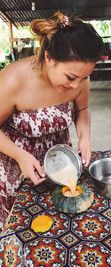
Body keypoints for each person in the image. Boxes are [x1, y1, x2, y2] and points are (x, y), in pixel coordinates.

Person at [0, 11, 104, 228]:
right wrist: (19, 155)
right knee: (20, 229)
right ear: (49, 58)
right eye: (70, 77)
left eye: (84, 78)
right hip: (18, 167)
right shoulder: (13, 79)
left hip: (60, 163)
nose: (77, 85)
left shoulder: (79, 79)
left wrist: (84, 137)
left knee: (57, 225)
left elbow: (82, 109)